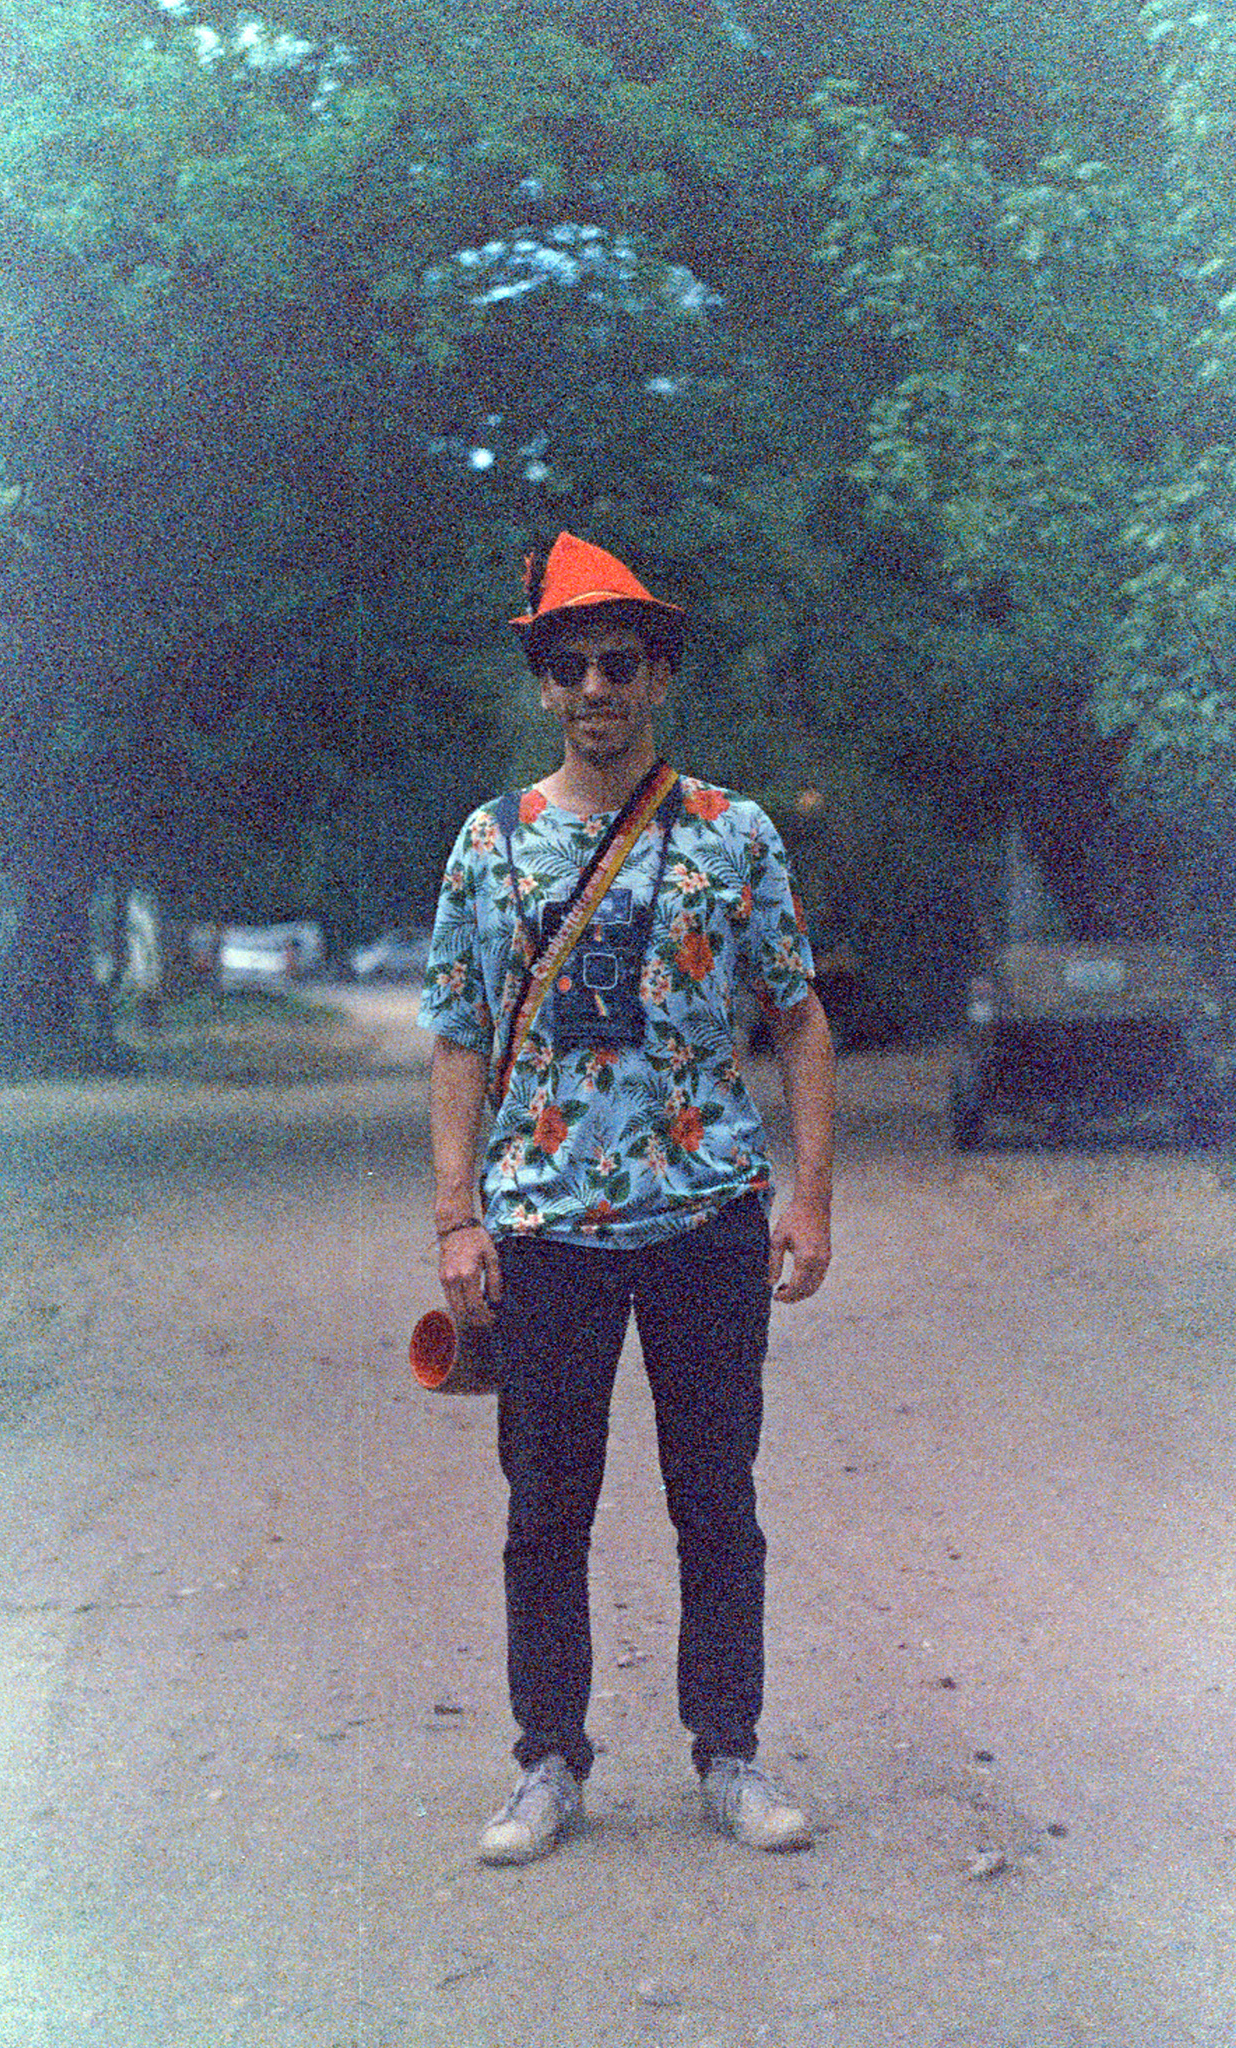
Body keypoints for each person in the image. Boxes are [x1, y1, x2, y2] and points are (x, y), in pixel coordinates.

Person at [417, 531, 836, 1866]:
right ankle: (547, 1762)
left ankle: (730, 1754)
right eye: (572, 666)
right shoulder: (491, 846)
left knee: (716, 1497)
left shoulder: (734, 834)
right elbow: (456, 1037)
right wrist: (456, 1219)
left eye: (621, 663)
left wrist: (810, 1201)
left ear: (658, 675)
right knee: (546, 1506)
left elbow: (799, 1019)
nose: (596, 688)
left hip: (706, 1214)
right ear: (544, 683)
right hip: (544, 1228)